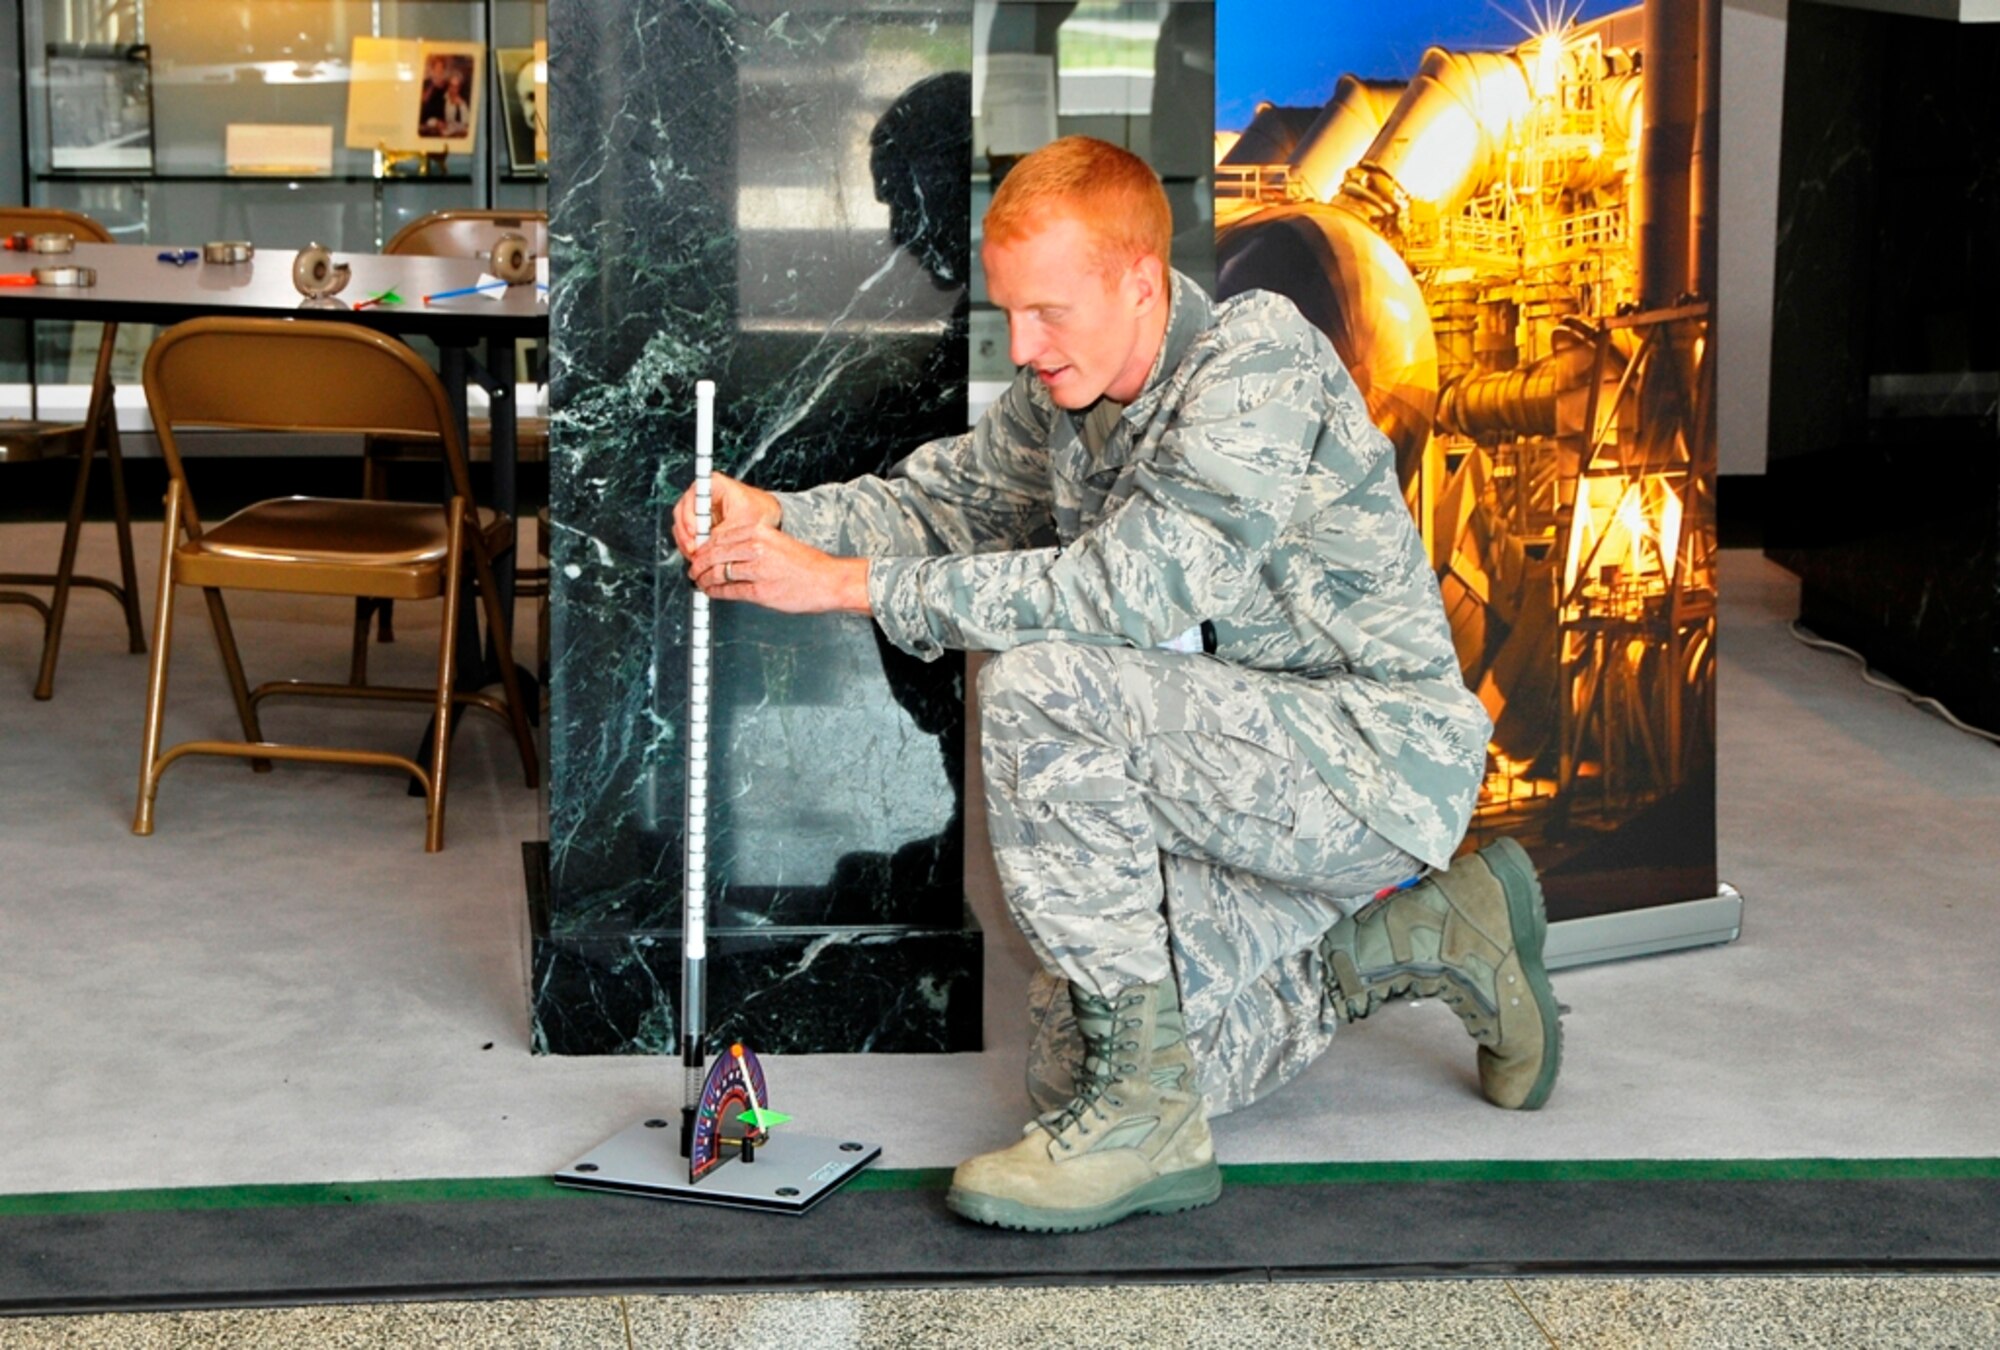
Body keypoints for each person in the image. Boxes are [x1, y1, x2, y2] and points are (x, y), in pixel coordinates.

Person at [674, 135, 1562, 1234]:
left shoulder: (1256, 362)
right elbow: (944, 503)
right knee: (1065, 1070)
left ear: (1139, 283)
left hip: (1368, 761)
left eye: (1047, 313)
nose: (1025, 345)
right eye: (1008, 315)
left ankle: (1148, 1118)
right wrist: (782, 518)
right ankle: (1417, 938)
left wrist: (846, 587)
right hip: (1216, 767)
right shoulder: (1068, 390)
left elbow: (1132, 589)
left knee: (1044, 681)